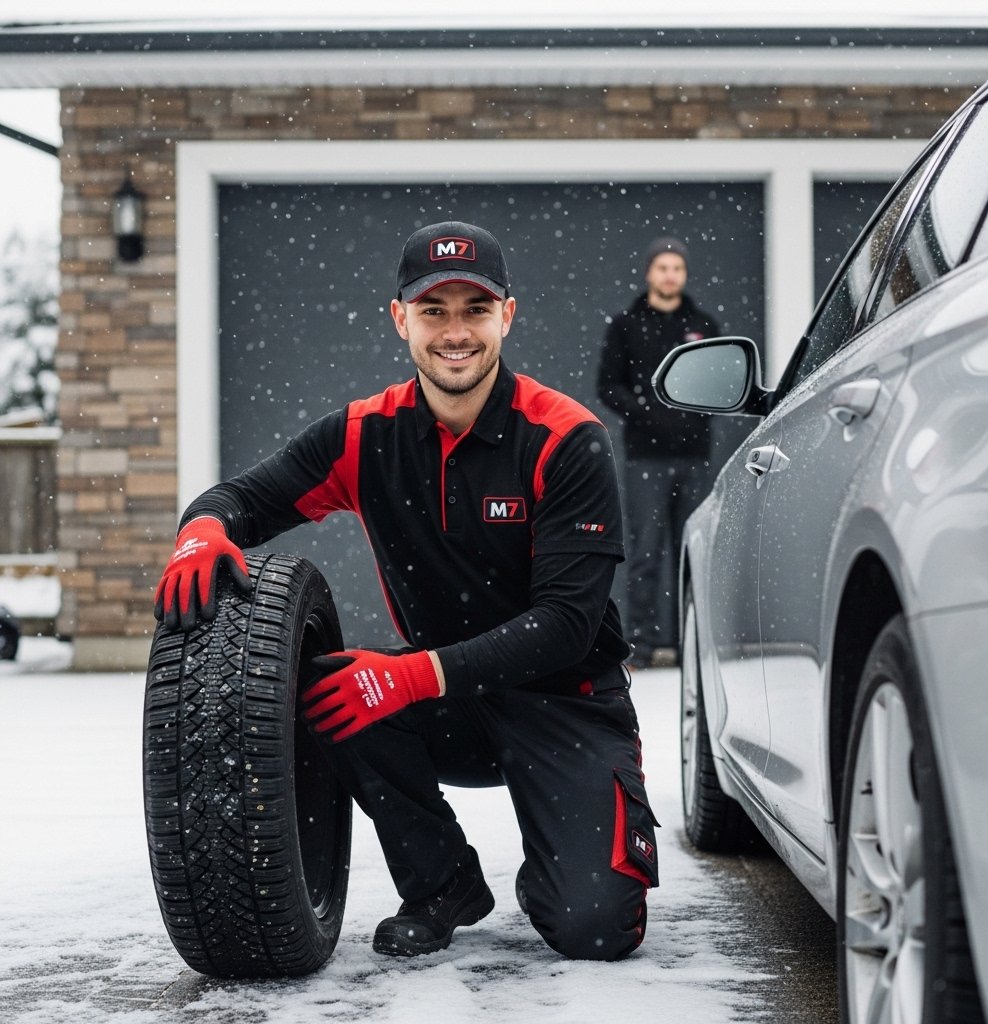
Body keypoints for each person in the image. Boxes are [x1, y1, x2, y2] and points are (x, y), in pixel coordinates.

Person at [154, 221, 659, 962]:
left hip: (568, 701)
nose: (455, 332)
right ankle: (442, 882)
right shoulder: (365, 436)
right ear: (401, 320)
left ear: (507, 317)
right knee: (324, 688)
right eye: (434, 310)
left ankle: (563, 857)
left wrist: (411, 674)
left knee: (593, 928)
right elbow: (242, 498)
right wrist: (201, 532)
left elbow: (567, 625)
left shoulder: (564, 438)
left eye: (474, 309)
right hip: (447, 704)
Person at [597, 236, 721, 670]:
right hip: (645, 459)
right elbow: (607, 386)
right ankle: (642, 646)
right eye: (663, 267)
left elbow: (720, 383)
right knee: (645, 553)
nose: (670, 275)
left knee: (693, 552)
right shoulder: (626, 325)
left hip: (694, 458)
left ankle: (692, 644)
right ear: (650, 272)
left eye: (677, 268)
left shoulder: (703, 326)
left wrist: (692, 414)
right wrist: (645, 411)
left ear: (685, 275)